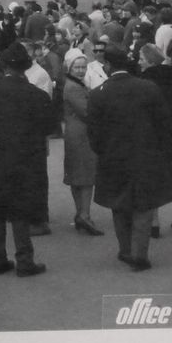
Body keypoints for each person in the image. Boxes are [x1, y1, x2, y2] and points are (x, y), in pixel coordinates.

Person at [0, 42, 52, 277]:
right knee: (20, 212)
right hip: (24, 161)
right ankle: (25, 261)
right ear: (25, 68)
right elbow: (49, 128)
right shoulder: (37, 96)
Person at [87, 43, 171, 272]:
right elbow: (163, 124)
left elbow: (93, 134)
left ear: (107, 65)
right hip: (145, 156)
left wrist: (103, 151)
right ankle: (139, 254)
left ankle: (125, 250)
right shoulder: (148, 88)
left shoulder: (97, 95)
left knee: (119, 205)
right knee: (143, 207)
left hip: (113, 159)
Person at [138, 43, 172, 234]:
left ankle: (154, 223)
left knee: (152, 178)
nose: (139, 61)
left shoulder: (144, 81)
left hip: (153, 136)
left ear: (150, 61)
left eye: (141, 58)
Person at [60, 50, 103, 236]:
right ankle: (84, 215)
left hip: (74, 133)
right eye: (77, 67)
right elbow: (86, 112)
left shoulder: (73, 84)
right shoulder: (74, 87)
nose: (80, 70)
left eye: (83, 67)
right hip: (81, 135)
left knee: (77, 175)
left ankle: (81, 214)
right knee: (85, 176)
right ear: (69, 67)